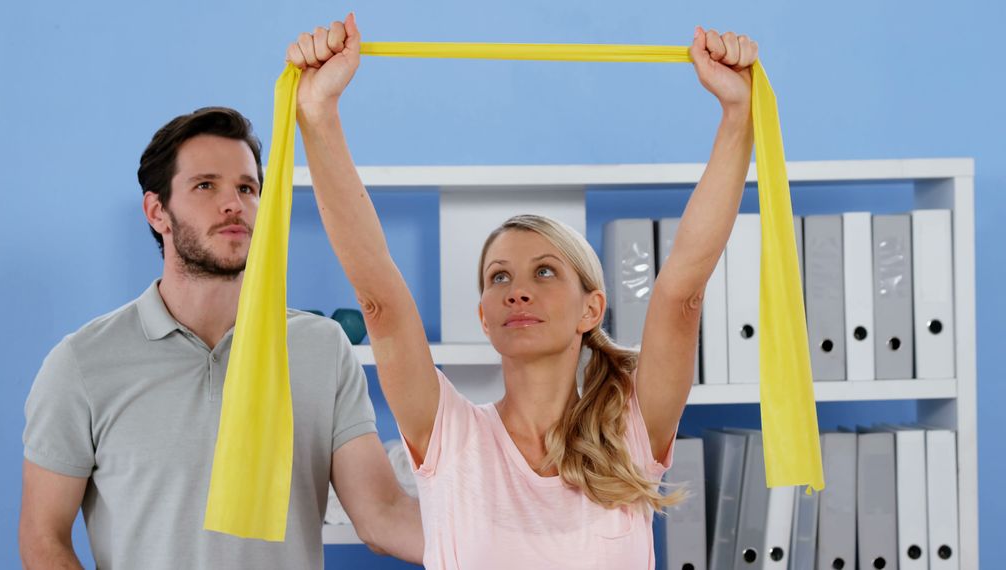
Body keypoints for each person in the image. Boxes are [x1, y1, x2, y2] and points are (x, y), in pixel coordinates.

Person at [289, 13, 758, 568]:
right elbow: (379, 299)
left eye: (544, 272)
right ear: (483, 317)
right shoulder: (450, 437)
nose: (517, 291)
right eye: (499, 277)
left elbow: (682, 293)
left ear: (592, 308)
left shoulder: (631, 429)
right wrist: (318, 116)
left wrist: (737, 115)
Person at [18, 106, 423, 569]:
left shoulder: (322, 348)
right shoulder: (82, 363)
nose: (234, 204)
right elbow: (42, 536)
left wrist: (506, 544)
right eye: (206, 185)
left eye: (247, 188)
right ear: (157, 212)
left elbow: (382, 514)